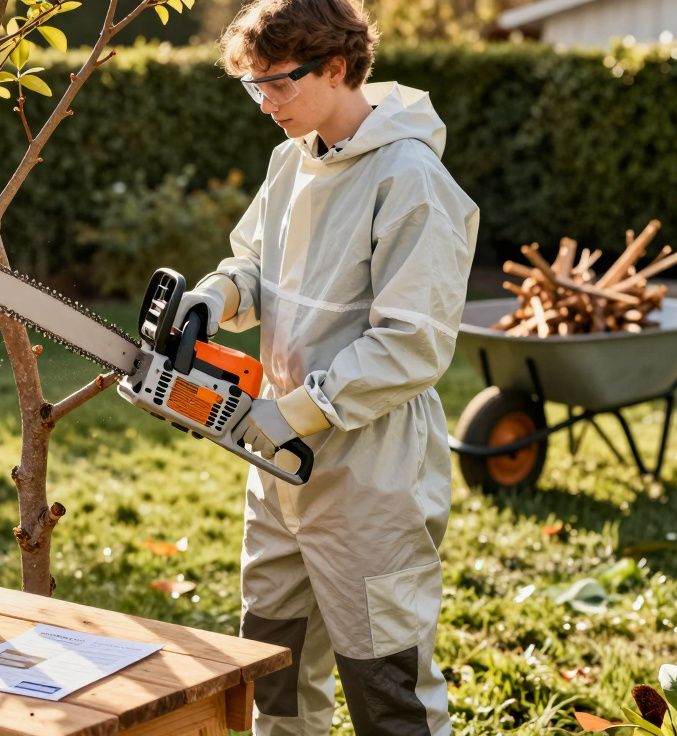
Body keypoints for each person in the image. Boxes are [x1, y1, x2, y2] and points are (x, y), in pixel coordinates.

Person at [176, 0, 479, 733]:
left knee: (385, 680)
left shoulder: (411, 180)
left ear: (336, 67)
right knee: (273, 661)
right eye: (253, 87)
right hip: (276, 457)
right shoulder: (292, 159)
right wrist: (216, 297)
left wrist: (294, 414)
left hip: (368, 466)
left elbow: (411, 343)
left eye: (275, 84)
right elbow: (253, 260)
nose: (264, 104)